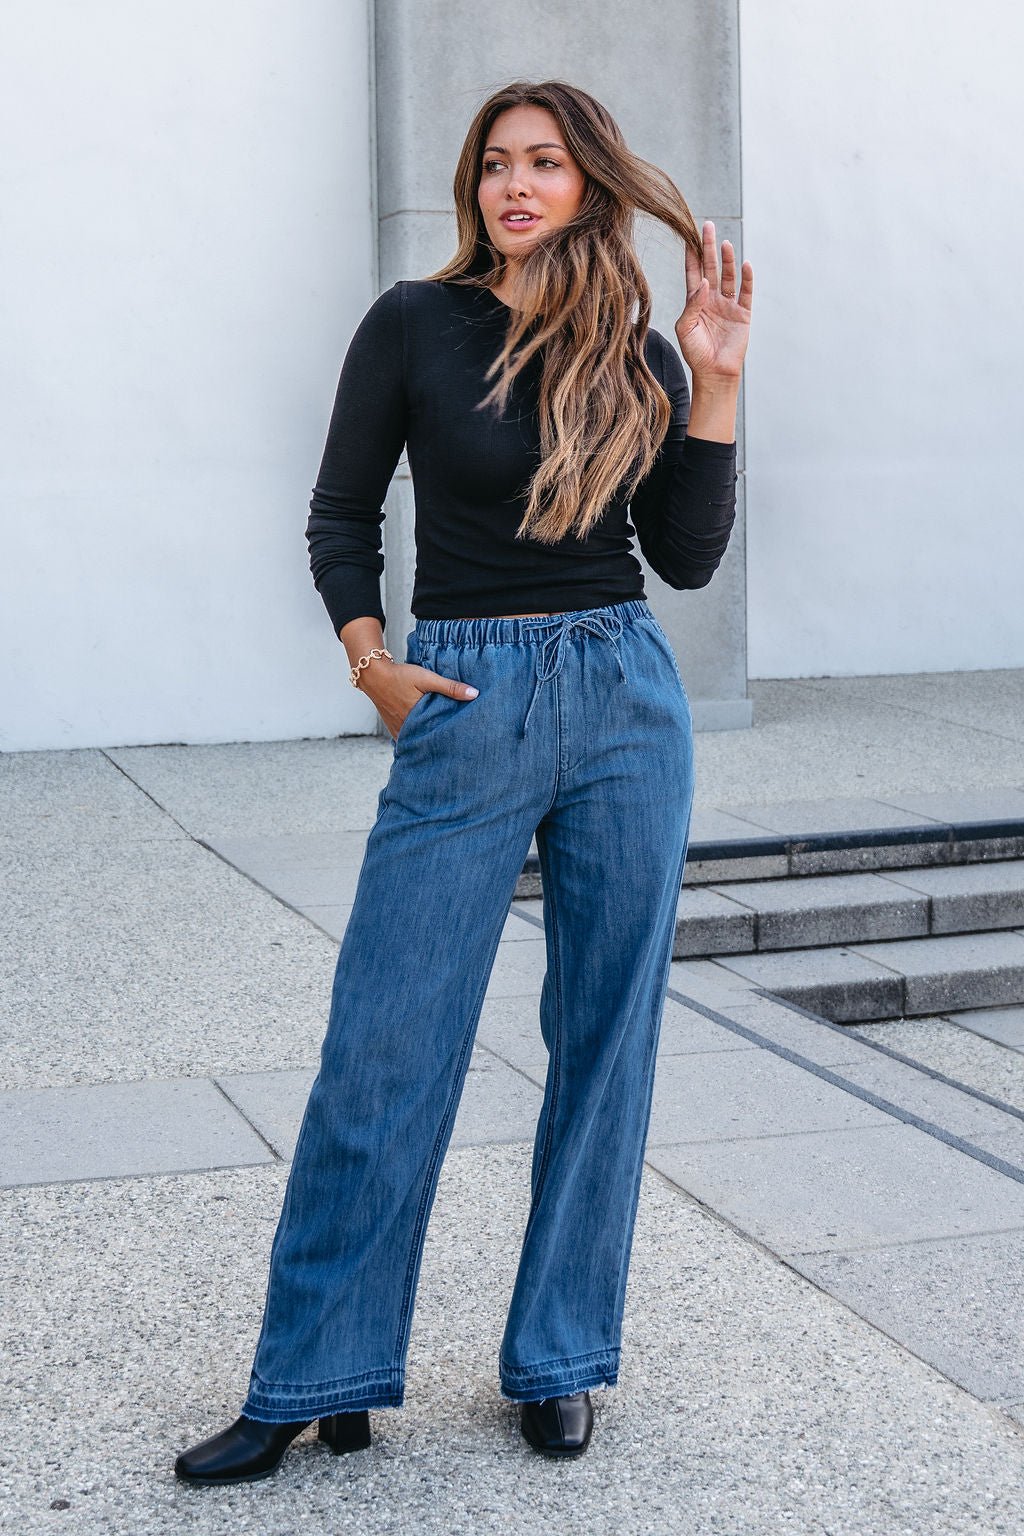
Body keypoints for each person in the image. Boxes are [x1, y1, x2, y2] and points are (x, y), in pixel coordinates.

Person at [175, 77, 752, 1486]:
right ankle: (313, 1373)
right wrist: (369, 659)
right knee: (387, 1039)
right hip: (467, 694)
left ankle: (559, 1359)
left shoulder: (642, 355)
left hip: (624, 694)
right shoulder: (417, 325)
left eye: (546, 163)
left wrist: (716, 378)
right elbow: (339, 509)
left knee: (605, 1043)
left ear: (591, 186)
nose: (515, 184)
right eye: (496, 163)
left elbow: (682, 560)